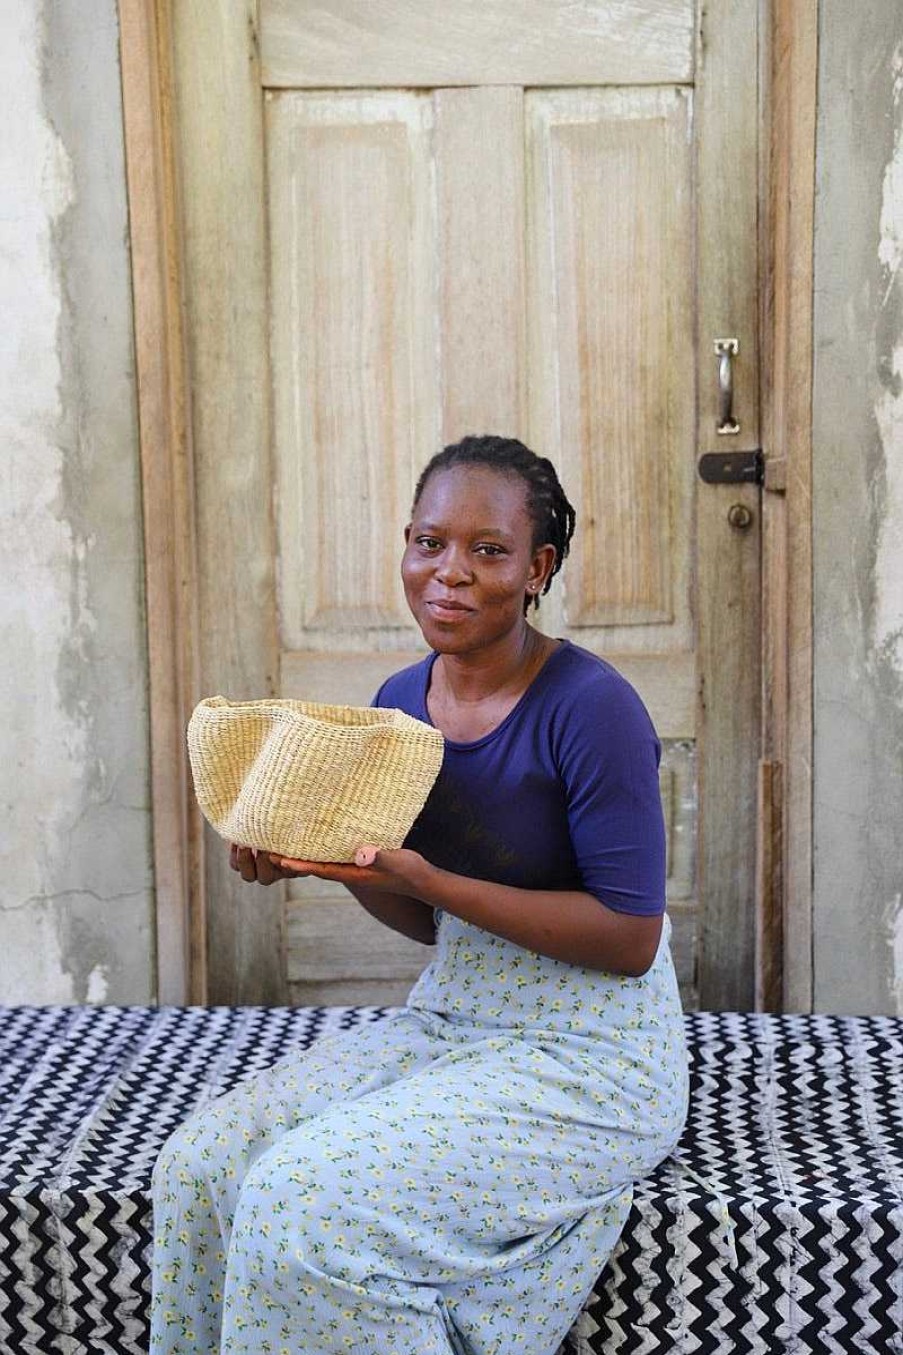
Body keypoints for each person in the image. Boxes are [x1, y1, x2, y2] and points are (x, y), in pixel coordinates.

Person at [150, 434, 690, 1355]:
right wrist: (340, 870)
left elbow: (629, 935)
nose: (449, 574)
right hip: (451, 1019)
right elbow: (416, 913)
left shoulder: (590, 707)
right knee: (201, 1163)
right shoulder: (399, 703)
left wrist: (427, 877)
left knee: (303, 1199)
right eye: (427, 542)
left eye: (488, 551)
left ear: (537, 568)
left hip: (591, 1057)